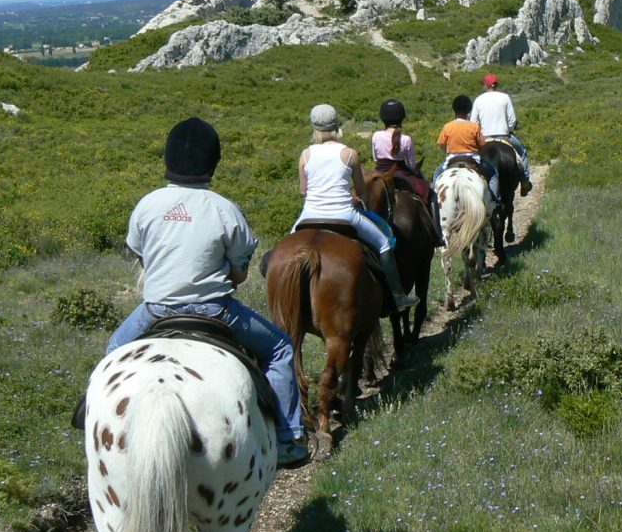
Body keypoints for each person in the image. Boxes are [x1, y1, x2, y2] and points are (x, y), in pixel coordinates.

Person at [107, 117, 308, 467]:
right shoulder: (225, 208)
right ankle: (288, 437)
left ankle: (92, 420)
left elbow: (140, 254)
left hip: (155, 310)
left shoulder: (147, 205)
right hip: (216, 310)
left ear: (167, 161)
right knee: (279, 348)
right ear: (213, 163)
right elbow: (240, 273)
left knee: (113, 352)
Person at [294, 104, 419, 312]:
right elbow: (361, 191)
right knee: (385, 242)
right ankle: (398, 296)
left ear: (314, 126)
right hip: (344, 215)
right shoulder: (350, 154)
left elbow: (303, 191)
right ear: (336, 125)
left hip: (309, 214)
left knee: (285, 248)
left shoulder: (305, 155)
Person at [371, 98, 442, 244]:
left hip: (380, 173)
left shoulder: (376, 136)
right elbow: (410, 164)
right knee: (430, 194)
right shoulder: (406, 139)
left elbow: (375, 159)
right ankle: (437, 233)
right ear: (401, 118)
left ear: (383, 118)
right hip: (401, 173)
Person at [470, 73, 533, 196]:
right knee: (523, 153)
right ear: (496, 84)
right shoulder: (505, 97)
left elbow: (473, 123)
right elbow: (512, 120)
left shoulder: (478, 100)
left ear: (485, 85)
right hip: (504, 136)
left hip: (485, 138)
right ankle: (525, 183)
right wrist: (509, 130)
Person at [432, 94, 501, 206]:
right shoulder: (474, 127)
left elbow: (443, 147)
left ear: (454, 109)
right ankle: (495, 202)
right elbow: (482, 146)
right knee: (493, 174)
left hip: (452, 160)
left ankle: (434, 202)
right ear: (469, 110)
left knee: (436, 175)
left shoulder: (447, 127)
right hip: (472, 160)